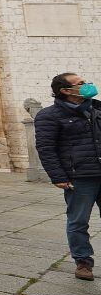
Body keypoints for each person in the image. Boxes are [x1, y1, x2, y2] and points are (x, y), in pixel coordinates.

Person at [34, 73, 101, 281]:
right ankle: (83, 262)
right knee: (78, 221)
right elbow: (46, 148)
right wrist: (57, 176)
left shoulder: (98, 108)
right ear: (65, 90)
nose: (87, 85)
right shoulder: (49, 116)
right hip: (79, 176)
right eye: (81, 84)